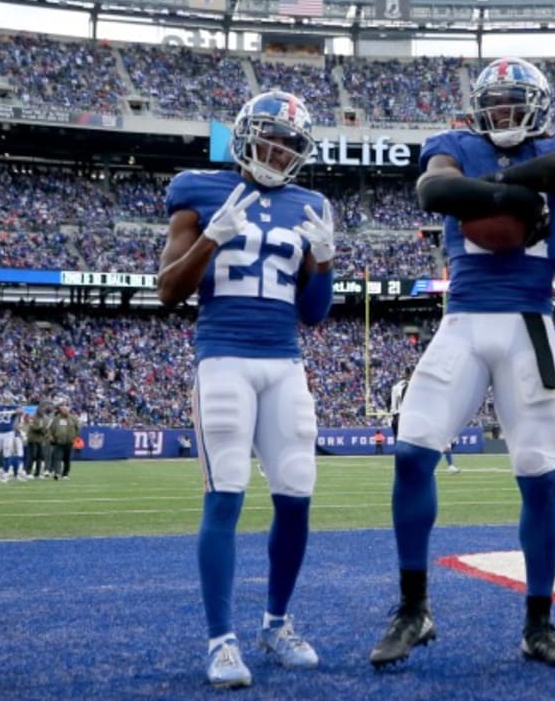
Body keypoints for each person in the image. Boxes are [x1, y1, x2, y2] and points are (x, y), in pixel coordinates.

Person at [369, 57, 555, 670]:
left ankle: (539, 623)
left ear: (540, 105)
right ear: (478, 106)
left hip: (528, 321)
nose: (504, 113)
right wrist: (518, 196)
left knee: (539, 472)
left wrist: (489, 190)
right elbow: (433, 190)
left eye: (514, 101)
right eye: (495, 102)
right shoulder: (455, 145)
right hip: (462, 319)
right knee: (413, 451)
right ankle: (414, 608)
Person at [158, 90, 335, 688]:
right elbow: (167, 291)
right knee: (225, 494)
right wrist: (211, 238)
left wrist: (325, 262)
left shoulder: (311, 202)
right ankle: (221, 641)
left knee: (297, 493)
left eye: (289, 143)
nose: (277, 150)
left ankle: (276, 623)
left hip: (284, 361)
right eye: (269, 137)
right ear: (244, 134)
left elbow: (315, 313)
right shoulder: (199, 189)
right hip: (224, 358)